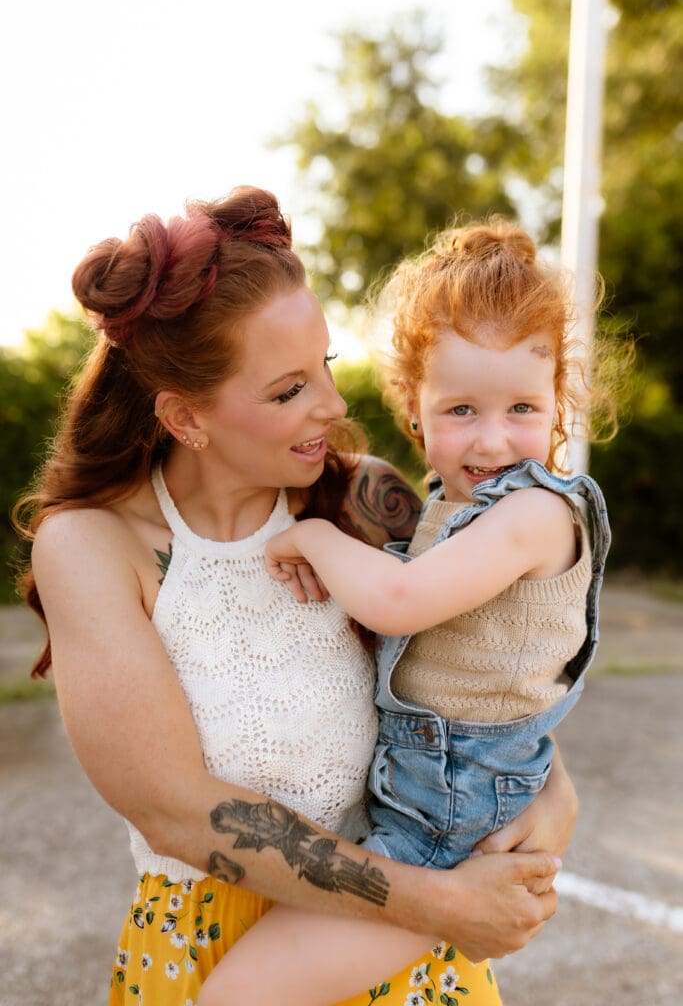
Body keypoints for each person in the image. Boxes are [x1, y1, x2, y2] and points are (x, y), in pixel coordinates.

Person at [15, 189, 576, 1006]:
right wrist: (439, 904)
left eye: (327, 367)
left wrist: (555, 795)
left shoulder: (366, 502)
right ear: (184, 416)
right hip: (221, 956)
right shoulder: (94, 548)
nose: (335, 407)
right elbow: (182, 813)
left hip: (400, 961)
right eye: (287, 390)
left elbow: (479, 677)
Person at [199, 216, 616, 1006]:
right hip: (423, 785)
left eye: (522, 409)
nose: (491, 441)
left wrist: (319, 538)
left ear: (558, 403)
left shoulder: (535, 514)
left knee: (242, 994)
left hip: (447, 813)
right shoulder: (438, 505)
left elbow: (399, 603)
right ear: (414, 409)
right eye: (461, 410)